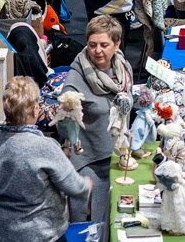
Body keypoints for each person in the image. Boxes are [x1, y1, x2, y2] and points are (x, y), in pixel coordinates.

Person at [0, 76, 92, 242]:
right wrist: (86, 186)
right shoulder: (45, 146)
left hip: (2, 232)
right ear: (35, 110)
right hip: (41, 232)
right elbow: (72, 185)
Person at [59, 15, 134, 224]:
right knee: (89, 221)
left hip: (118, 153)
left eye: (104, 45)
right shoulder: (78, 75)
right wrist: (67, 108)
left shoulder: (123, 68)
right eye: (92, 45)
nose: (97, 51)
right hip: (89, 160)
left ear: (117, 45)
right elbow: (66, 113)